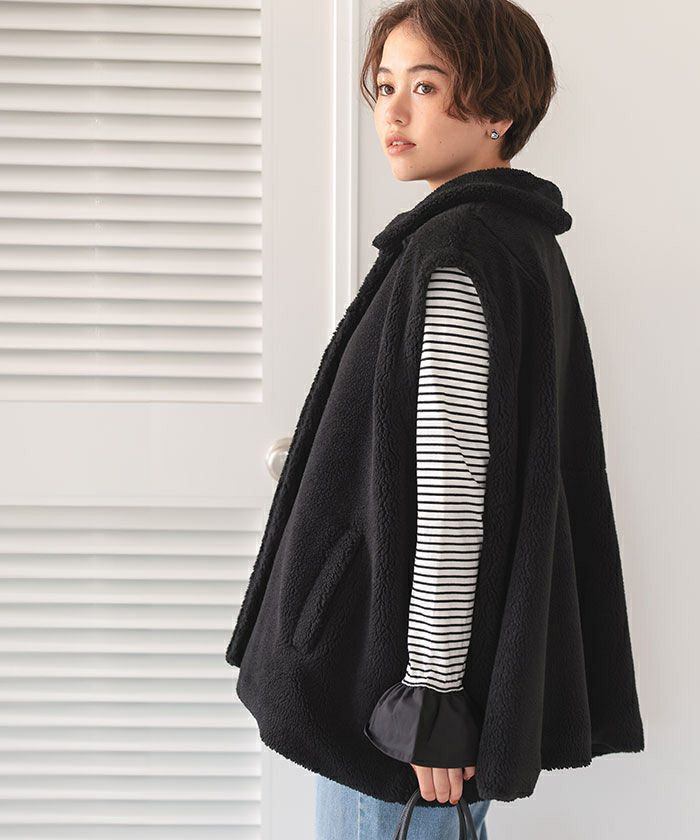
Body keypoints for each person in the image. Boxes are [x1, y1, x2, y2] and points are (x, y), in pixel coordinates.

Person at [224, 1, 645, 836]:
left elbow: (453, 489)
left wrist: (428, 697)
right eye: (385, 86)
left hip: (387, 694)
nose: (394, 111)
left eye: (424, 86)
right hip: (418, 682)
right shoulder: (508, 240)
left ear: (498, 109)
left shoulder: (458, 254)